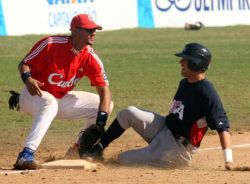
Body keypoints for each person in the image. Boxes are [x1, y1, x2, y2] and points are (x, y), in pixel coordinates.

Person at [87, 43, 233, 169]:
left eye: (185, 59)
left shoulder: (207, 92)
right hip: (164, 128)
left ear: (195, 63)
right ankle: (98, 148)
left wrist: (228, 160)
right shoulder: (185, 82)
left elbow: (223, 127)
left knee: (123, 159)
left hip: (177, 150)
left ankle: (159, 158)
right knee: (128, 113)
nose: (181, 62)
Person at [11, 14, 113, 170]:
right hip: (33, 96)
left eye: (95, 29)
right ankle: (26, 154)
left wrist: (100, 123)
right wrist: (27, 78)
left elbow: (105, 91)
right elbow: (24, 64)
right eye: (89, 29)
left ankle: (77, 149)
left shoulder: (90, 56)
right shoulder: (51, 44)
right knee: (49, 102)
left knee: (105, 105)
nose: (93, 33)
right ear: (75, 31)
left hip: (60, 99)